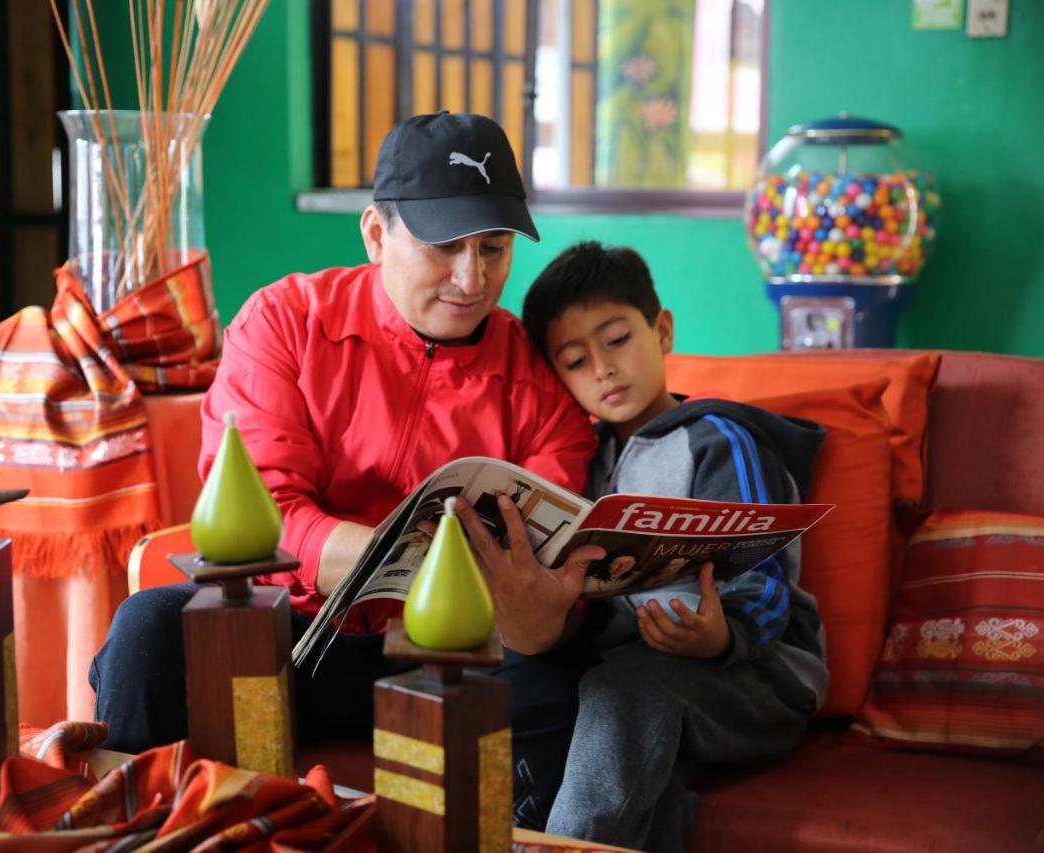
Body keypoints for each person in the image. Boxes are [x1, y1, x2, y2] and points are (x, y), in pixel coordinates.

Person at [89, 113, 601, 818]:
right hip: (290, 640)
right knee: (149, 629)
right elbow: (262, 513)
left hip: (450, 654)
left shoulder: (540, 385)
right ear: (374, 234)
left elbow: (548, 590)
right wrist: (417, 561)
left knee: (569, 675)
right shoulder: (284, 322)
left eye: (494, 247)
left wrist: (543, 616)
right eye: (445, 246)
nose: (472, 277)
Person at [453, 241, 828, 851]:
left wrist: (722, 636)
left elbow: (765, 575)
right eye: (574, 360)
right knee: (610, 741)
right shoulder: (583, 458)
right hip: (648, 675)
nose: (601, 368)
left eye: (617, 340)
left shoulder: (721, 441)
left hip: (760, 677)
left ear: (662, 330)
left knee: (625, 690)